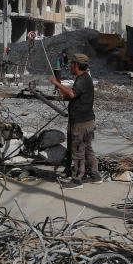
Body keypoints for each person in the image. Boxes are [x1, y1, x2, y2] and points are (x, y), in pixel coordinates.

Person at [49, 53, 101, 189]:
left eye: (71, 64)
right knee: (87, 147)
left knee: (77, 149)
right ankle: (95, 175)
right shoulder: (84, 78)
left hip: (81, 122)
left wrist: (56, 83)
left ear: (77, 65)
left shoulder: (82, 79)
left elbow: (72, 93)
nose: (70, 66)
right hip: (87, 120)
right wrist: (65, 93)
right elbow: (75, 94)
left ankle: (77, 179)